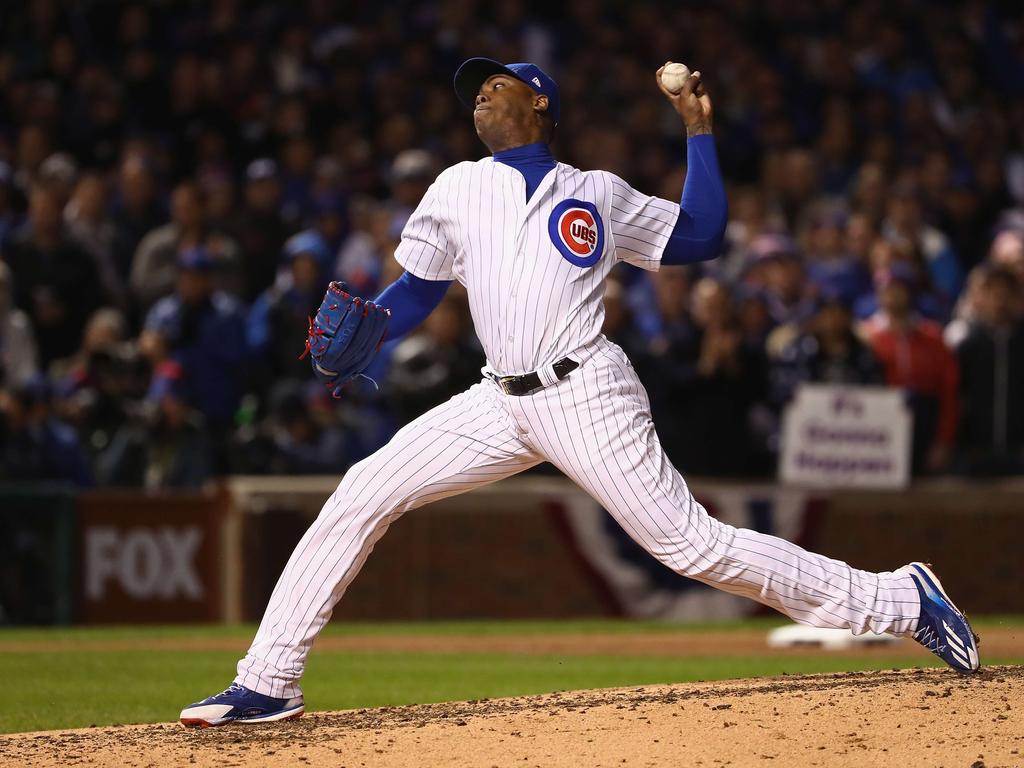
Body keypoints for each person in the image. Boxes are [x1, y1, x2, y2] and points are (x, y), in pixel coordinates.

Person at [181, 58, 980, 728]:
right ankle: (269, 680)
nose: (481, 95)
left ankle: (900, 600)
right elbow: (417, 291)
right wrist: (373, 327)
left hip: (585, 391)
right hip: (497, 400)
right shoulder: (457, 186)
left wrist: (697, 129)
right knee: (360, 491)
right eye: (475, 91)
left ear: (540, 103)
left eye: (497, 84)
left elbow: (698, 236)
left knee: (692, 547)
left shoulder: (595, 190)